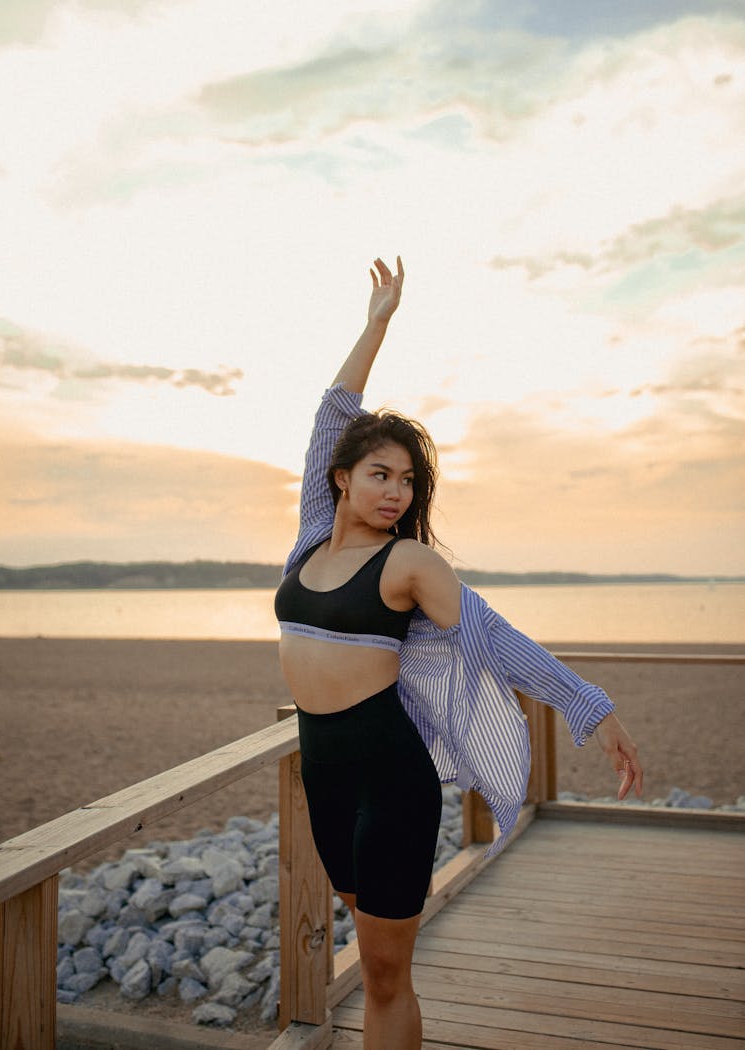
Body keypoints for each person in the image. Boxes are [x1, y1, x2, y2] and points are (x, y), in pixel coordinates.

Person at [274, 256, 643, 1050]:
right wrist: (377, 323)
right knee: (373, 964)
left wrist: (589, 705)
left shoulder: (408, 564)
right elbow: (330, 413)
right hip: (326, 780)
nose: (395, 493)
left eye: (407, 481)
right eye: (379, 474)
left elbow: (492, 636)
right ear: (339, 480)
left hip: (390, 783)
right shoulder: (310, 537)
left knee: (381, 976)